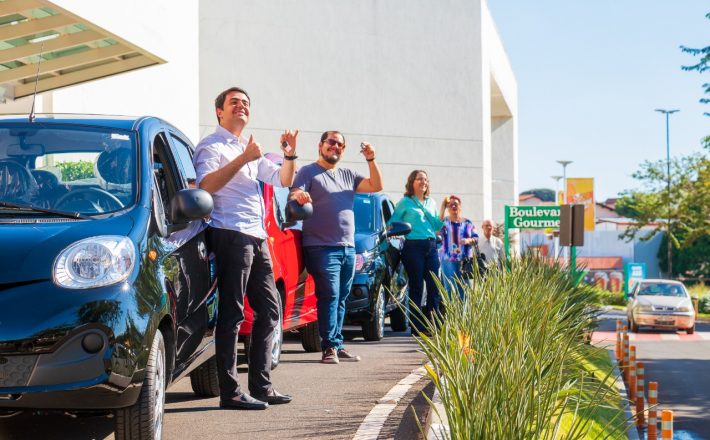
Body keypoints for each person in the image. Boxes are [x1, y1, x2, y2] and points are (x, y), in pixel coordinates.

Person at [193, 86, 296, 410]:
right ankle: (230, 391)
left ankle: (261, 386)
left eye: (246, 103)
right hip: (229, 233)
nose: (241, 106)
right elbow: (205, 186)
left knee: (269, 310)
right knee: (233, 312)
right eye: (234, 102)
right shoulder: (211, 146)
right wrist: (243, 158)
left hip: (257, 235)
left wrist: (289, 154)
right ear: (219, 112)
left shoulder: (249, 149)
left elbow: (283, 180)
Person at [290, 131, 382, 364]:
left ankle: (337, 345)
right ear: (320, 145)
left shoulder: (348, 175)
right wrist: (300, 194)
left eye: (340, 144)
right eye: (331, 142)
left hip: (347, 248)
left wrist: (371, 159)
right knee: (329, 295)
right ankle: (329, 346)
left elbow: (376, 185)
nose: (335, 146)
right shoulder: (308, 171)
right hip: (320, 247)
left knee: (341, 297)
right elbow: (294, 192)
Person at [388, 170, 444, 335]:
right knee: (417, 287)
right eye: (420, 179)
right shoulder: (405, 202)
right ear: (412, 182)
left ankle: (433, 324)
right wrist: (396, 234)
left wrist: (442, 208)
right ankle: (417, 327)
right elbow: (392, 223)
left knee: (435, 286)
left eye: (426, 179)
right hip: (412, 247)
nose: (423, 182)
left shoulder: (431, 202)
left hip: (431, 246)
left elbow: (437, 226)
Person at [439, 195, 477, 298]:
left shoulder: (467, 222)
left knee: (465, 289)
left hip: (464, 261)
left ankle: (465, 314)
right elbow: (436, 230)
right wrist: (443, 206)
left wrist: (468, 240)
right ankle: (453, 313)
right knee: (450, 288)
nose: (453, 206)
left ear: (460, 206)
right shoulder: (444, 222)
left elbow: (476, 238)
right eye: (450, 205)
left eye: (455, 204)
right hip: (447, 260)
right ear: (447, 208)